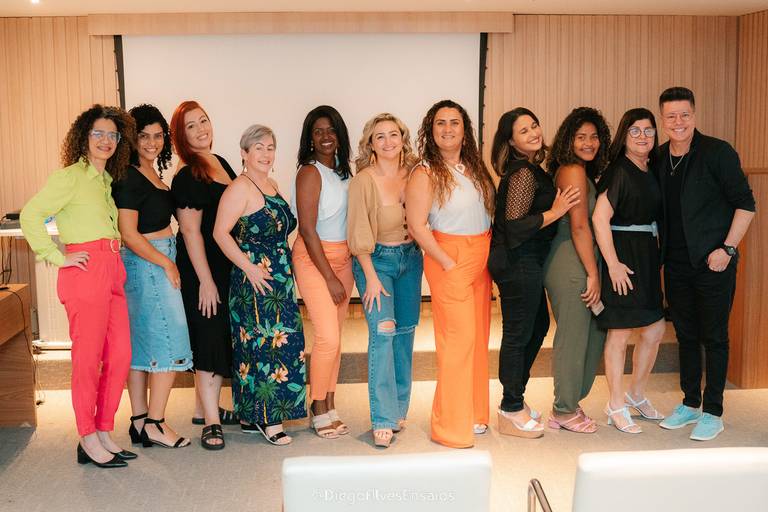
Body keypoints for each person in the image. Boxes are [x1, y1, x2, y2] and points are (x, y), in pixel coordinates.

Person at [20, 105, 136, 467]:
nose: (106, 140)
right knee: (88, 361)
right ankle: (87, 436)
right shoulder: (69, 177)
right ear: (83, 137)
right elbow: (31, 215)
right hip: (85, 272)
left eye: (112, 135)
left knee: (120, 355)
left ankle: (103, 429)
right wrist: (56, 256)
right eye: (98, 133)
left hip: (113, 268)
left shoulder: (104, 181)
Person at [655, 87, 755, 441]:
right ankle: (690, 403)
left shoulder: (717, 152)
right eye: (671, 116)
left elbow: (746, 204)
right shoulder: (659, 157)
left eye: (685, 115)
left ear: (694, 115)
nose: (678, 122)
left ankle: (713, 411)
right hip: (675, 264)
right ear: (662, 120)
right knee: (685, 335)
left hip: (714, 262)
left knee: (714, 337)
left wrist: (727, 249)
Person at [406, 99, 496, 448]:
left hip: (480, 258)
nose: (447, 129)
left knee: (478, 339)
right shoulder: (425, 171)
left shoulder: (473, 166)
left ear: (464, 129)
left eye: (454, 122)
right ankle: (448, 427)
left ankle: (474, 414)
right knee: (457, 343)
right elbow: (416, 225)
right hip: (450, 258)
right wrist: (446, 262)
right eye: (440, 123)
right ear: (431, 131)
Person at [487, 108, 580, 438]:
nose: (533, 133)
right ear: (511, 141)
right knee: (518, 333)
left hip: (526, 260)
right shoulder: (523, 173)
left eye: (535, 125)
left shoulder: (531, 168)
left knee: (537, 326)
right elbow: (514, 226)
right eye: (523, 130)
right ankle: (510, 407)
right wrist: (556, 212)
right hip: (516, 261)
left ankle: (515, 397)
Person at [213, 124, 306, 446]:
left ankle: (254, 416)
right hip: (255, 281)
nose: (266, 154)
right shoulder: (239, 188)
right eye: (258, 148)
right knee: (263, 347)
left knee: (284, 344)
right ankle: (269, 418)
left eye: (270, 147)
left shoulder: (272, 184)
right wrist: (249, 268)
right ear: (244, 153)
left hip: (279, 278)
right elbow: (220, 233)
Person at [113, 104, 193, 449]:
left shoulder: (150, 172)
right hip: (149, 262)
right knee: (169, 339)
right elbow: (129, 233)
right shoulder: (129, 176)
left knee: (143, 344)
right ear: (131, 139)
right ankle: (156, 424)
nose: (151, 142)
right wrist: (166, 263)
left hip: (151, 261)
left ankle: (139, 421)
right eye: (143, 136)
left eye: (158, 136)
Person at [348, 113, 422, 448]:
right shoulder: (363, 180)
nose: (388, 141)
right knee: (383, 333)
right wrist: (371, 277)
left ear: (403, 139)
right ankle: (381, 418)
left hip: (411, 260)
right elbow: (358, 231)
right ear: (371, 144)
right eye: (380, 136)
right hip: (376, 261)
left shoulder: (415, 173)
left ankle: (397, 409)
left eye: (394, 134)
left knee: (405, 334)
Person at [592, 108, 666, 434]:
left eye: (648, 130)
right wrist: (612, 264)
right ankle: (615, 404)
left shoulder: (651, 169)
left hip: (646, 255)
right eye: (634, 130)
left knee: (655, 330)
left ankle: (636, 394)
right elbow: (599, 219)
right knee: (620, 333)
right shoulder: (619, 170)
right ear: (624, 136)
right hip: (622, 256)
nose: (642, 137)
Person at [170, 100, 237, 450]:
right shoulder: (187, 175)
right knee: (209, 336)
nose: (200, 130)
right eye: (190, 127)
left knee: (218, 333)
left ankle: (202, 409)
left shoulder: (220, 162)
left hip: (225, 265)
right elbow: (190, 231)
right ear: (180, 137)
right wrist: (206, 281)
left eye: (203, 121)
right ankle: (212, 422)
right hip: (202, 269)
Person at [543, 107, 609, 433]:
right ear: (568, 140)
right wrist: (593, 274)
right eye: (580, 136)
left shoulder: (583, 171)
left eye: (594, 136)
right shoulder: (571, 170)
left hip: (583, 258)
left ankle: (571, 401)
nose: (588, 142)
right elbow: (579, 225)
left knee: (593, 333)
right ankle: (564, 410)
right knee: (573, 336)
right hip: (571, 260)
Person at [290, 105, 354, 439]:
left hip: (344, 258)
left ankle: (330, 402)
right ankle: (316, 406)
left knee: (336, 338)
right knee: (327, 336)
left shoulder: (344, 172)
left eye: (331, 130)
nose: (325, 137)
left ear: (339, 135)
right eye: (318, 132)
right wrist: (329, 276)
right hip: (315, 260)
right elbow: (307, 229)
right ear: (310, 138)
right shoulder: (309, 173)